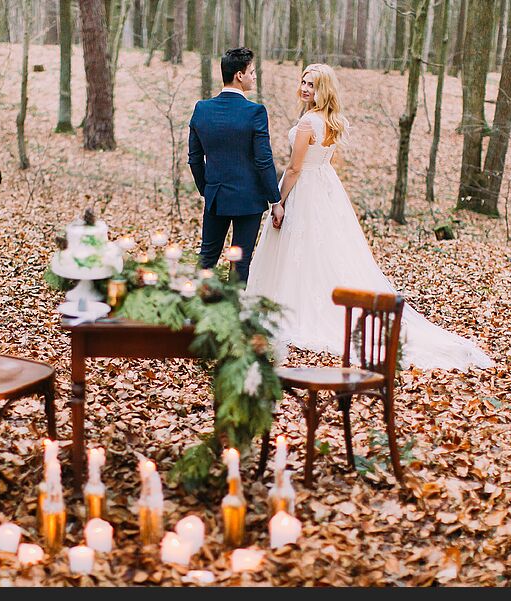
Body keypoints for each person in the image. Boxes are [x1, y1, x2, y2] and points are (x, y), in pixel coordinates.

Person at [246, 64, 493, 370]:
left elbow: (295, 168)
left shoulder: (309, 122)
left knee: (304, 246)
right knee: (321, 251)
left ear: (323, 90)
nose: (305, 88)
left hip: (305, 187)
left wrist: (278, 202)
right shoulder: (330, 121)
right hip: (325, 186)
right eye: (304, 82)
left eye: (312, 84)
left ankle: (296, 307)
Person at [187, 47, 284, 283]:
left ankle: (195, 307)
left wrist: (207, 189)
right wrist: (275, 200)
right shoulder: (255, 112)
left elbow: (194, 158)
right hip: (248, 199)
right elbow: (263, 160)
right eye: (252, 71)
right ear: (239, 75)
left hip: (216, 196)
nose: (254, 76)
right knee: (240, 263)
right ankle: (235, 314)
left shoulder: (202, 109)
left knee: (207, 257)